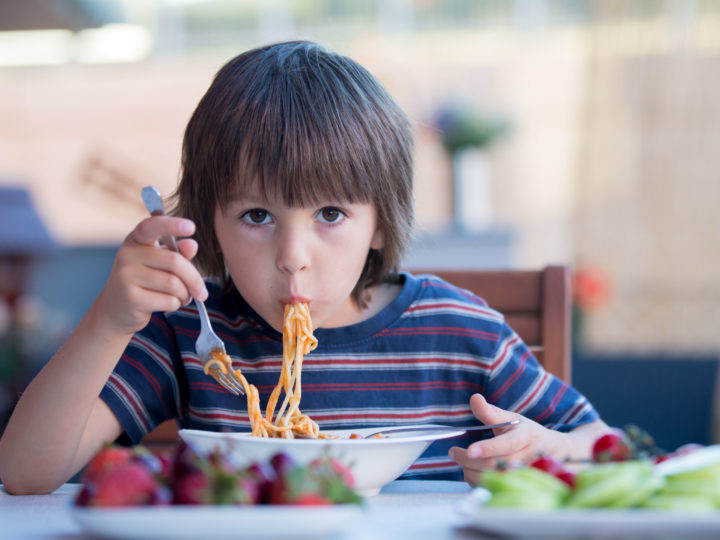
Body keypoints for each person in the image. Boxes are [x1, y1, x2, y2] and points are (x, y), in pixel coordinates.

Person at [0, 40, 610, 494]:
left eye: (331, 214)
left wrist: (546, 450)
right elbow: (25, 474)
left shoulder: (457, 331)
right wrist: (110, 321)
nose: (294, 258)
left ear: (380, 225)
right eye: (257, 216)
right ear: (210, 222)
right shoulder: (190, 333)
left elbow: (603, 446)